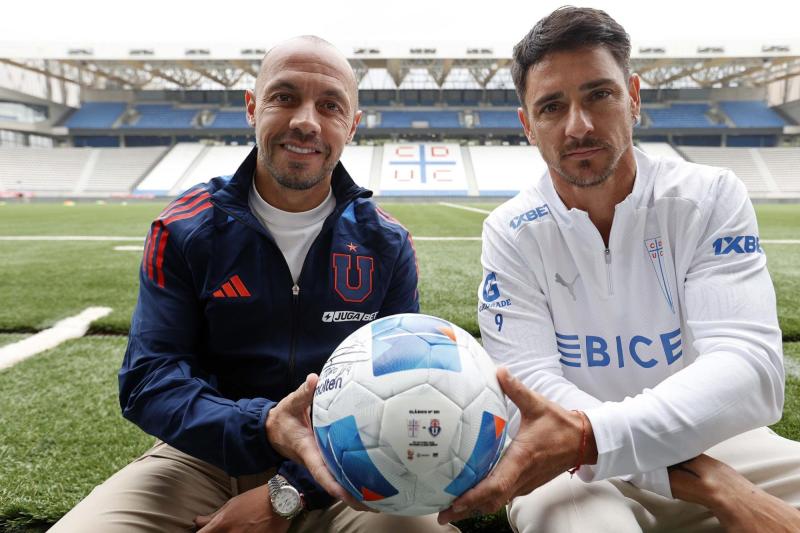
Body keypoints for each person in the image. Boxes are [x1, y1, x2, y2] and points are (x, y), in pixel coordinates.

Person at [51, 35, 457, 533]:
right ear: (252, 108)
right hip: (202, 457)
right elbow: (148, 381)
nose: (306, 120)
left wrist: (285, 494)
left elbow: (408, 391)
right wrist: (264, 426)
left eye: (329, 105)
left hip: (343, 467)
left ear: (351, 125)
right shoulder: (183, 229)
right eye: (284, 97)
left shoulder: (387, 244)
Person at [437, 7, 800, 532]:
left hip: (713, 445)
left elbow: (751, 373)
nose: (578, 125)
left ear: (633, 96)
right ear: (527, 126)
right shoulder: (511, 230)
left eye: (598, 95)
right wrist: (708, 483)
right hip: (569, 470)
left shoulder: (709, 195)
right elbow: (539, 399)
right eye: (552, 107)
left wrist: (602, 437)